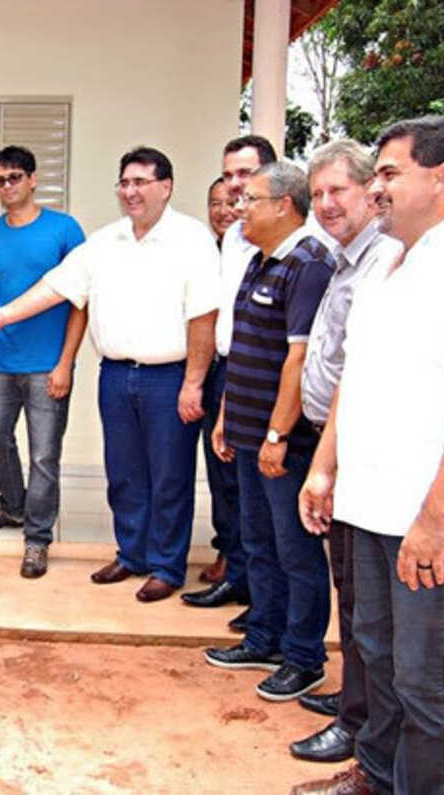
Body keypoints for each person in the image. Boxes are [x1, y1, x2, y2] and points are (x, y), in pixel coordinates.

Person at [292, 116, 444, 795]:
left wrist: (437, 515)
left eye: (391, 173)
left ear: (443, 177)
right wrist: (324, 466)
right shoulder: (388, 263)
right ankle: (376, 775)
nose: (379, 188)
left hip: (433, 518)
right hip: (369, 503)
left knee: (424, 672)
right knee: (374, 651)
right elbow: (354, 377)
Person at [0, 146, 219, 602]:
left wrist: (194, 381)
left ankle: (167, 565)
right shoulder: (106, 242)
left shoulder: (192, 239)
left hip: (169, 377)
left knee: (169, 475)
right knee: (124, 472)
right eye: (124, 183)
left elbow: (203, 316)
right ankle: (131, 555)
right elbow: (56, 286)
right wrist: (5, 315)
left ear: (165, 187)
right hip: (115, 375)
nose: (130, 191)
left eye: (140, 182)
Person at [288, 140, 402, 765]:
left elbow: (356, 372)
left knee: (365, 603)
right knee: (351, 591)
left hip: (357, 449)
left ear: (370, 192)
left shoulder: (384, 262)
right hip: (335, 442)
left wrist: (326, 463)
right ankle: (355, 702)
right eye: (320, 193)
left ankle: (360, 725)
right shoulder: (343, 260)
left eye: (339, 191)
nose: (327, 204)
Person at [204, 161, 333, 702]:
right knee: (258, 542)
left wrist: (278, 436)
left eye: (250, 199)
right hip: (250, 432)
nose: (239, 209)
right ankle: (264, 637)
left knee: (295, 551)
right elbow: (246, 350)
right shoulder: (260, 260)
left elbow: (296, 358)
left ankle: (304, 656)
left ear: (284, 204)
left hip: (285, 441)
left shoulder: (308, 264)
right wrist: (229, 418)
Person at [0, 145, 87, 578]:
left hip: (48, 362)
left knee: (44, 456)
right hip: (0, 358)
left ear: (32, 179)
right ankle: (13, 507)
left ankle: (37, 538)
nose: (7, 186)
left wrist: (66, 362)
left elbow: (80, 299)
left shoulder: (65, 230)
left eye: (14, 177)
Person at [181, 136, 276, 620]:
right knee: (226, 481)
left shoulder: (286, 242)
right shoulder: (235, 239)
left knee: (255, 491)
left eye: (245, 175)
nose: (235, 188)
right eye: (228, 176)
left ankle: (260, 596)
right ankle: (239, 577)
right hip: (223, 372)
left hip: (257, 380)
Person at [197, 175, 240, 586]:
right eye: (214, 203)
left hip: (240, 373)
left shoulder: (253, 254)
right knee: (217, 470)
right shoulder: (206, 253)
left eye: (232, 201)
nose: (223, 211)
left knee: (235, 472)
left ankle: (239, 565)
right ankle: (227, 550)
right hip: (206, 372)